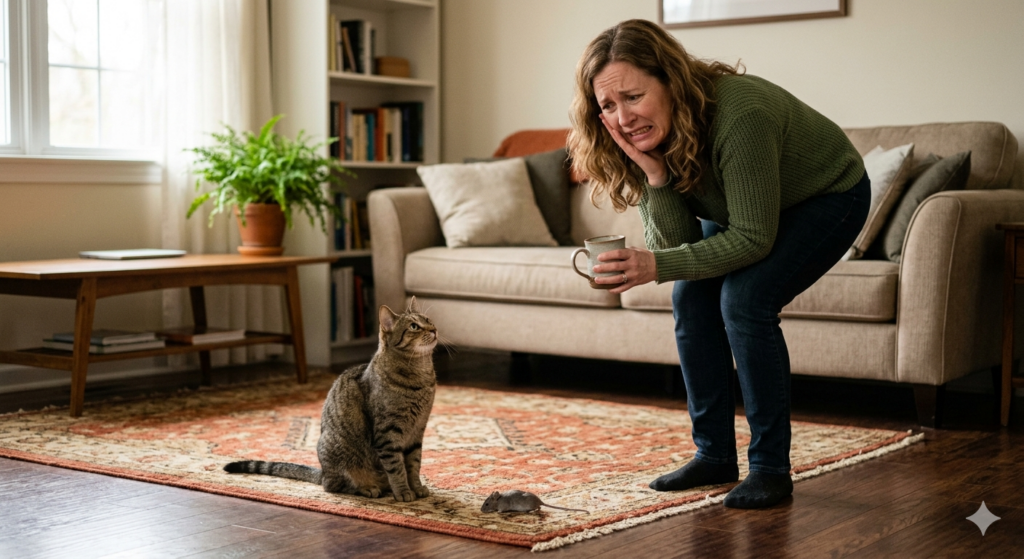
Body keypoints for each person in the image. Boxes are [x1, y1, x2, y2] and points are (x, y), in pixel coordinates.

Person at [567, 19, 870, 509]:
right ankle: (714, 455)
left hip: (827, 194)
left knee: (745, 300)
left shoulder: (739, 112)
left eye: (633, 96)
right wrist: (655, 175)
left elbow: (752, 238)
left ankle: (770, 468)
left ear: (670, 77)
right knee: (691, 295)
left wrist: (654, 265)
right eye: (608, 105)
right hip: (743, 208)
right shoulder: (651, 138)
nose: (622, 117)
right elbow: (685, 250)